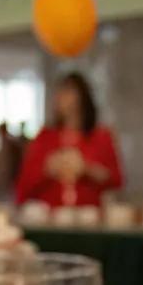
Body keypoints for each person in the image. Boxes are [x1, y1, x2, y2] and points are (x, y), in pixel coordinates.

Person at [15, 73, 123, 208]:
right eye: (60, 92)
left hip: (88, 216)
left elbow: (115, 179)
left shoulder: (101, 137)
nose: (61, 97)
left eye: (68, 91)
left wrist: (86, 169)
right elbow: (24, 184)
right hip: (51, 217)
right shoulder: (45, 137)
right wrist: (48, 168)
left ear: (82, 97)